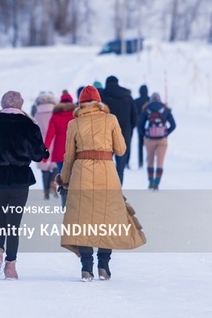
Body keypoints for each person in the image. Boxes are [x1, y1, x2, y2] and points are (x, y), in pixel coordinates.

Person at [57, 85, 146, 281]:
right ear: (99, 102)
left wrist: (63, 179)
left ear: (80, 103)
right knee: (108, 219)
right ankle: (104, 266)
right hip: (107, 172)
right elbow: (121, 150)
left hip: (82, 173)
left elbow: (69, 157)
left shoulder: (74, 123)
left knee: (82, 220)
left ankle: (86, 268)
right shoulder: (110, 119)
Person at [0, 90, 49, 280]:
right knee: (14, 224)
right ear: (21, 105)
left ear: (2, 104)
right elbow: (39, 154)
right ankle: (10, 266)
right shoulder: (29, 124)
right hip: (20, 180)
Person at [99, 76, 138, 185]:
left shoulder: (102, 97)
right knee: (120, 168)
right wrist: (129, 129)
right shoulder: (128, 97)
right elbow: (135, 118)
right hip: (124, 136)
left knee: (105, 166)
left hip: (106, 137)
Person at [42, 90, 76, 200]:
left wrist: (44, 151)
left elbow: (49, 135)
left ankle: (64, 203)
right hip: (74, 150)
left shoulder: (55, 116)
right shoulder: (76, 116)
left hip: (60, 151)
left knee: (63, 179)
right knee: (74, 177)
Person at [140, 92, 177, 190]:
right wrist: (166, 133)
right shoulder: (165, 109)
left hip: (150, 139)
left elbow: (140, 125)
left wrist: (146, 134)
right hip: (162, 139)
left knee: (150, 161)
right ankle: (157, 183)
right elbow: (173, 125)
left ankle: (151, 181)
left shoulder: (146, 109)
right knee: (160, 162)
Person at [31, 91, 58, 199]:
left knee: (44, 167)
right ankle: (53, 183)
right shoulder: (55, 112)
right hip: (54, 140)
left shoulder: (36, 113)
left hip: (41, 141)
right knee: (55, 165)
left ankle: (46, 191)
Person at [133, 85, 150, 169]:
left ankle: (140, 162)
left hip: (139, 125)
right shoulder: (150, 100)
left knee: (140, 143)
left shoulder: (136, 101)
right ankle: (149, 160)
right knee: (150, 144)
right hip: (150, 125)